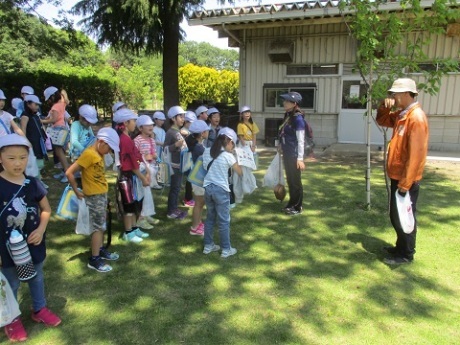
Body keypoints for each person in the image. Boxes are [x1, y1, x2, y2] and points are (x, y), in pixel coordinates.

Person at [0, 134, 61, 342]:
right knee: (11, 283)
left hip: (33, 244)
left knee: (36, 277)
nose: (17, 163)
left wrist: (41, 229)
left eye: (22, 157)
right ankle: (12, 318)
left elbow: (46, 209)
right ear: (0, 158)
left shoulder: (33, 183)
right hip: (6, 249)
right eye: (11, 158)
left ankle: (39, 308)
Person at [376, 78, 429, 265]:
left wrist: (406, 183)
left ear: (407, 93)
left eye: (396, 94)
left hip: (406, 179)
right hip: (398, 174)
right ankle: (400, 247)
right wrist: (383, 105)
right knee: (396, 214)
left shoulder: (416, 118)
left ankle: (406, 254)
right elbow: (382, 119)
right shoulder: (402, 115)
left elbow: (416, 154)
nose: (393, 97)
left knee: (404, 216)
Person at [66, 128, 121, 272]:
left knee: (102, 224)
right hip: (94, 197)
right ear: (101, 142)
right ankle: (94, 259)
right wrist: (77, 191)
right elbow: (69, 172)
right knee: (98, 227)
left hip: (101, 195)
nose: (109, 151)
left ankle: (100, 249)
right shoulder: (89, 154)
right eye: (109, 148)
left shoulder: (98, 153)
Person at [202, 127, 242, 258]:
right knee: (224, 221)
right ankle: (226, 249)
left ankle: (208, 246)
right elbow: (239, 172)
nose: (233, 147)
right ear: (229, 142)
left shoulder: (207, 151)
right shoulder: (228, 156)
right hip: (221, 190)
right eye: (233, 144)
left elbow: (204, 167)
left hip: (208, 188)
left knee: (210, 218)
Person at [114, 108, 150, 243]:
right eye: (133, 121)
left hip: (131, 177)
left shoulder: (127, 138)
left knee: (134, 203)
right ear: (126, 122)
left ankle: (134, 228)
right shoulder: (125, 140)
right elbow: (132, 164)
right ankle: (128, 231)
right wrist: (143, 177)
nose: (135, 123)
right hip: (126, 177)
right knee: (128, 205)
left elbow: (136, 157)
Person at [278, 92, 306, 216]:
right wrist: (280, 145)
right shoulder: (288, 115)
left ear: (294, 104)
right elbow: (283, 132)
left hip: (294, 155)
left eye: (287, 101)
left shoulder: (298, 118)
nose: (284, 103)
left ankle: (298, 206)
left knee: (296, 181)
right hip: (287, 153)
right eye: (285, 101)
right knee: (290, 180)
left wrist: (300, 158)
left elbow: (301, 140)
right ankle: (292, 202)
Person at [133, 115, 160, 229]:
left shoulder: (152, 140)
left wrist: (152, 156)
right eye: (147, 125)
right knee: (143, 193)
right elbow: (136, 157)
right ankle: (141, 218)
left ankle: (147, 214)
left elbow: (154, 154)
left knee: (148, 193)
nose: (151, 127)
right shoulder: (137, 140)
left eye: (151, 125)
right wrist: (144, 158)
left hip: (150, 169)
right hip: (141, 170)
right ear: (140, 128)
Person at [40, 87, 69, 182]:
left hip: (58, 130)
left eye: (49, 99)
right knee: (59, 153)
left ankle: (67, 173)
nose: (48, 101)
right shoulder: (62, 104)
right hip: (61, 130)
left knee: (60, 153)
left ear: (52, 97)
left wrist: (41, 121)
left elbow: (54, 119)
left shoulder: (55, 106)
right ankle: (63, 171)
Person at [164, 106, 188, 220]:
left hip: (180, 163)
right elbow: (165, 149)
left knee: (177, 188)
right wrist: (175, 145)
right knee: (174, 188)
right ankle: (170, 211)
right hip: (174, 165)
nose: (183, 119)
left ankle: (174, 208)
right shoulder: (170, 132)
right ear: (173, 118)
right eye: (180, 116)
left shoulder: (178, 131)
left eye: (183, 116)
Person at [186, 120, 209, 236]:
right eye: (206, 130)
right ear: (202, 133)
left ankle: (198, 223)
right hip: (198, 179)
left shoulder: (198, 145)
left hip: (198, 178)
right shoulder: (199, 148)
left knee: (200, 203)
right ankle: (194, 227)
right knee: (199, 204)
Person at [20, 95, 48, 180]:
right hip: (31, 143)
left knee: (40, 162)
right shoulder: (25, 115)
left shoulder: (36, 114)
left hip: (39, 142)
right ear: (28, 104)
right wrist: (25, 142)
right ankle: (36, 181)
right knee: (34, 164)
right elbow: (23, 129)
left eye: (38, 104)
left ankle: (38, 180)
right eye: (35, 104)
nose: (37, 106)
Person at [182, 111, 196, 207]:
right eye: (191, 122)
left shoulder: (190, 132)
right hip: (187, 158)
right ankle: (187, 198)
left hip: (191, 158)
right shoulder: (183, 131)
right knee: (189, 179)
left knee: (191, 178)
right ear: (186, 122)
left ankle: (189, 197)